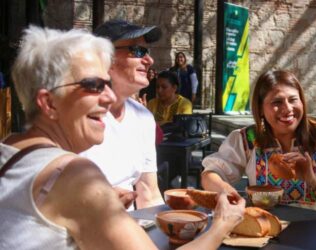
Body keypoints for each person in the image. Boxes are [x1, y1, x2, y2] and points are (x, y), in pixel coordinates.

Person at [0, 25, 245, 250]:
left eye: (107, 85)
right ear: (49, 103)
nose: (107, 98)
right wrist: (222, 224)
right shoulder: (74, 174)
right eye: (94, 85)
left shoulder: (11, 149)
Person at [201, 70, 316, 214]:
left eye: (293, 100)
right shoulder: (248, 139)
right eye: (276, 102)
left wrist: (313, 180)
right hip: (263, 229)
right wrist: (229, 192)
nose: (287, 109)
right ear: (260, 109)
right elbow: (209, 175)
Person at [81, 20, 165, 209]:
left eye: (147, 51)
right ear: (106, 59)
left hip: (131, 229)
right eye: (137, 51)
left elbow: (149, 193)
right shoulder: (77, 116)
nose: (149, 60)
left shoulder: (143, 117)